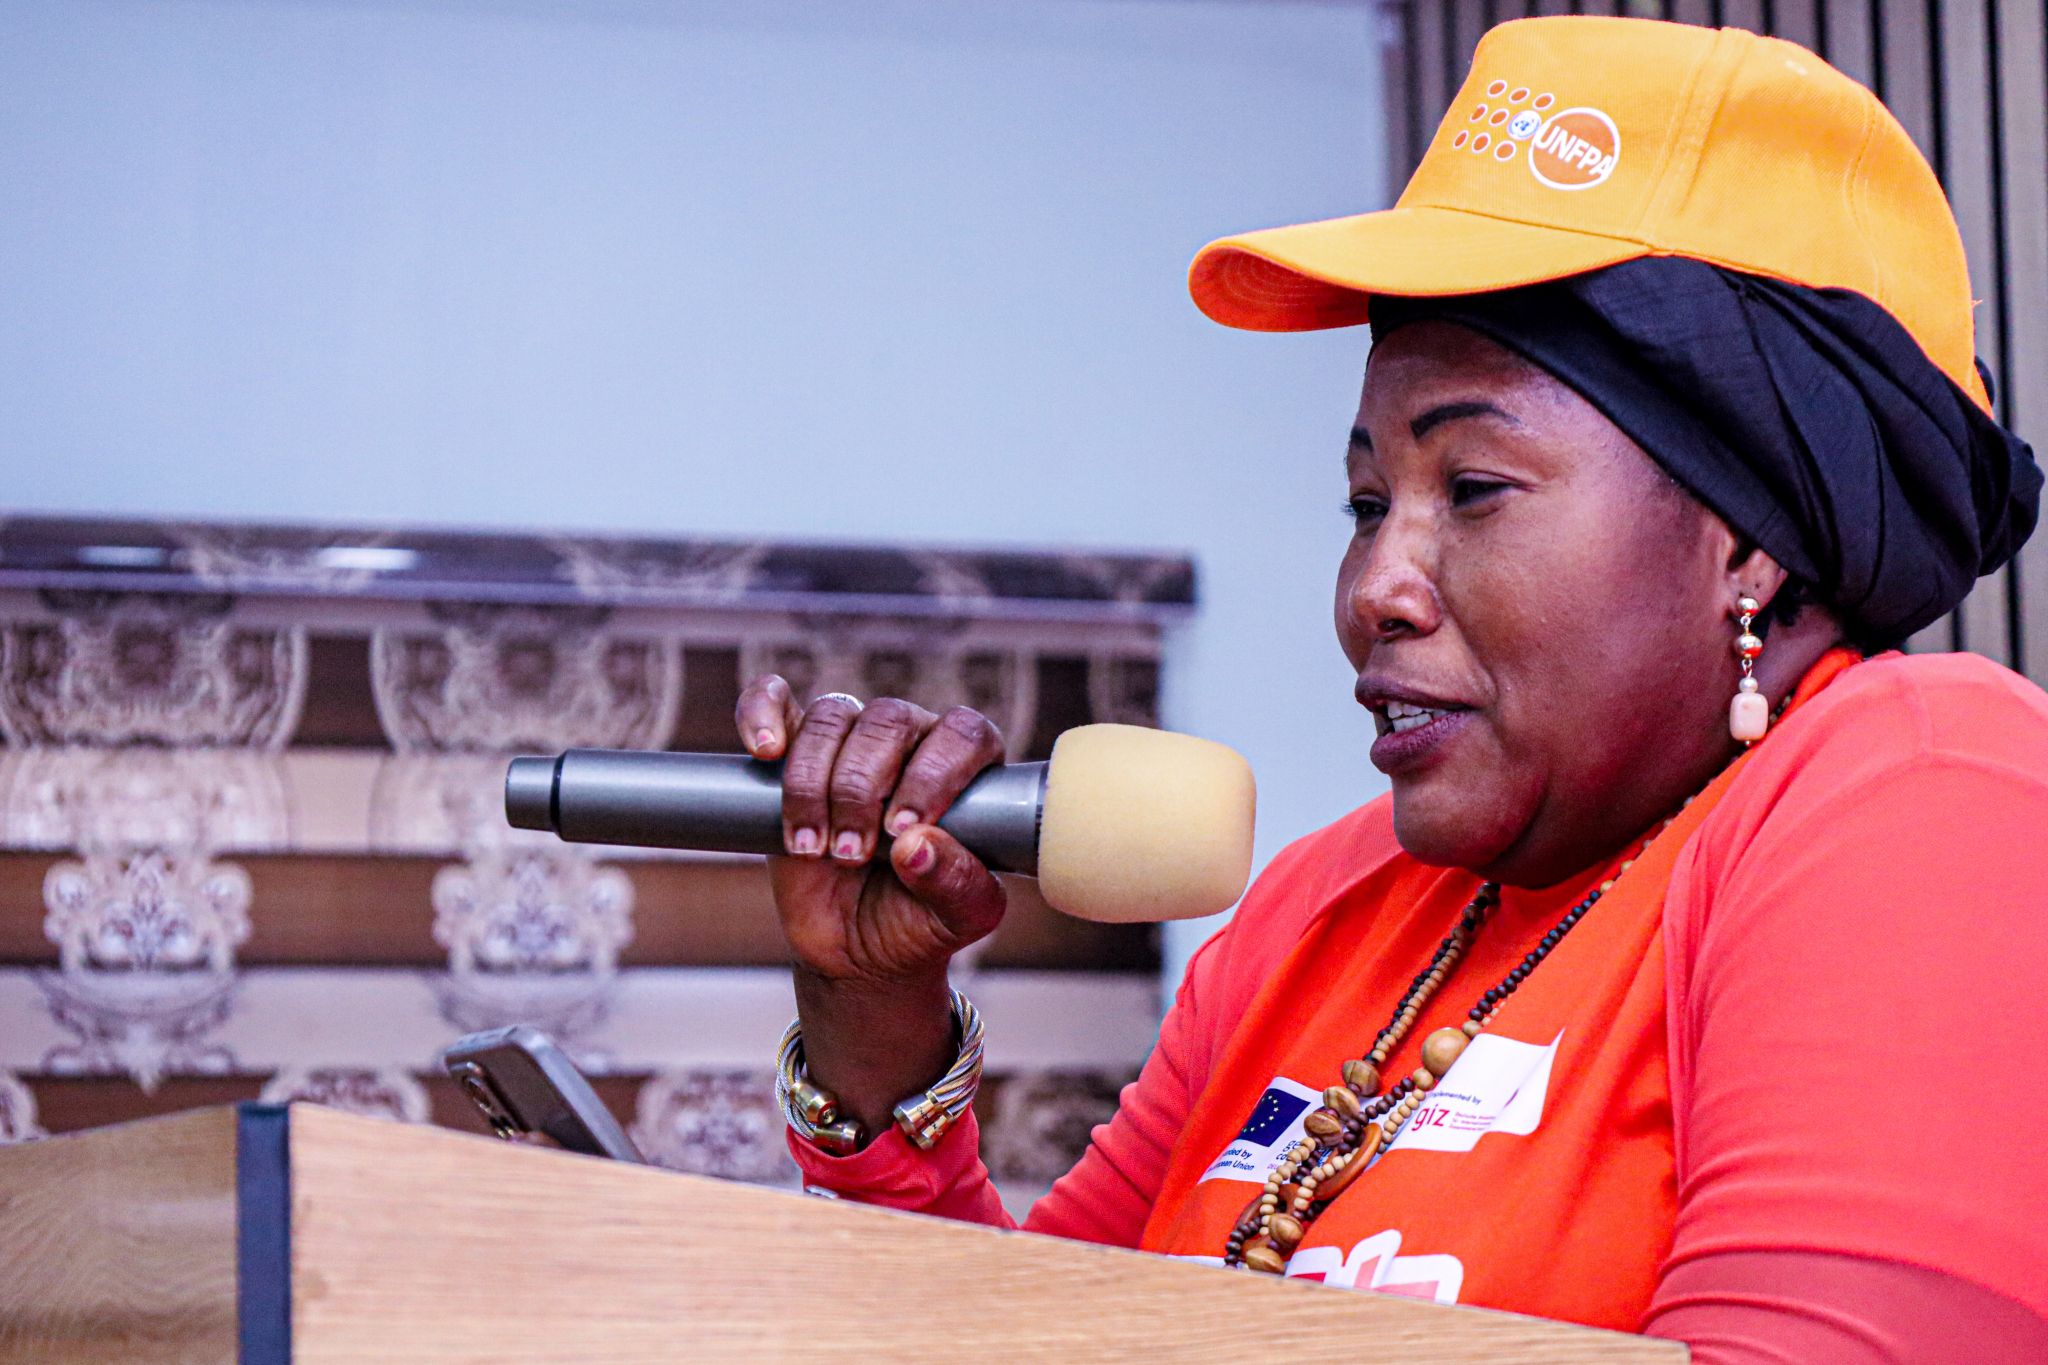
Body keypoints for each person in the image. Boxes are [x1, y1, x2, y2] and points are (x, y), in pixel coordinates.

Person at [734, 16, 2048, 1362]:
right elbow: (1028, 1344)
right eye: (1366, 503)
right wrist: (873, 1026)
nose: (1375, 587)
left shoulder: (1923, 792)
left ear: (1748, 545)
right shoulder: (1325, 901)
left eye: (1472, 488)